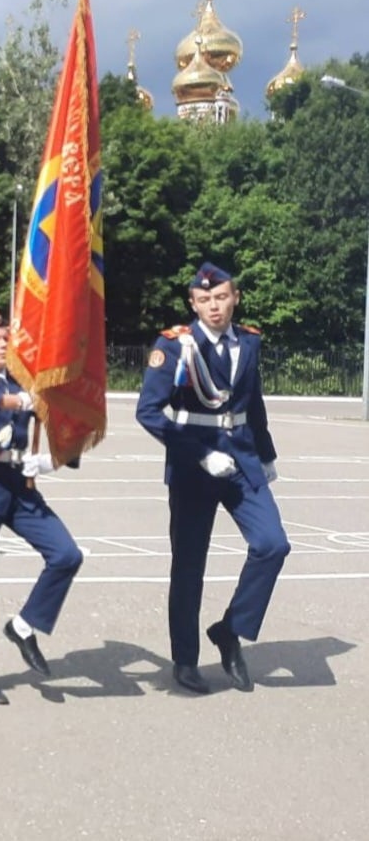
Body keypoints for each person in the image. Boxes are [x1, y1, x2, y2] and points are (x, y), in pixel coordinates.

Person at [135, 262, 289, 694]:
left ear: (235, 297)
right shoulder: (176, 346)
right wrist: (200, 455)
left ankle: (230, 629)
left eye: (220, 296)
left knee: (273, 544)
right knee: (189, 566)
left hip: (241, 459)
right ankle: (185, 661)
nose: (213, 306)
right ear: (193, 303)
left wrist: (267, 454)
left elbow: (252, 401)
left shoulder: (249, 342)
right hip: (193, 466)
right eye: (204, 299)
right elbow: (148, 411)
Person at [0, 305, 83, 705]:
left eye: (7, 337)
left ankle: (24, 625)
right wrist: (17, 402)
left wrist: (52, 460)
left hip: (20, 485)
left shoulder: (26, 381)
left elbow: (60, 426)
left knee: (66, 554)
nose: (5, 343)